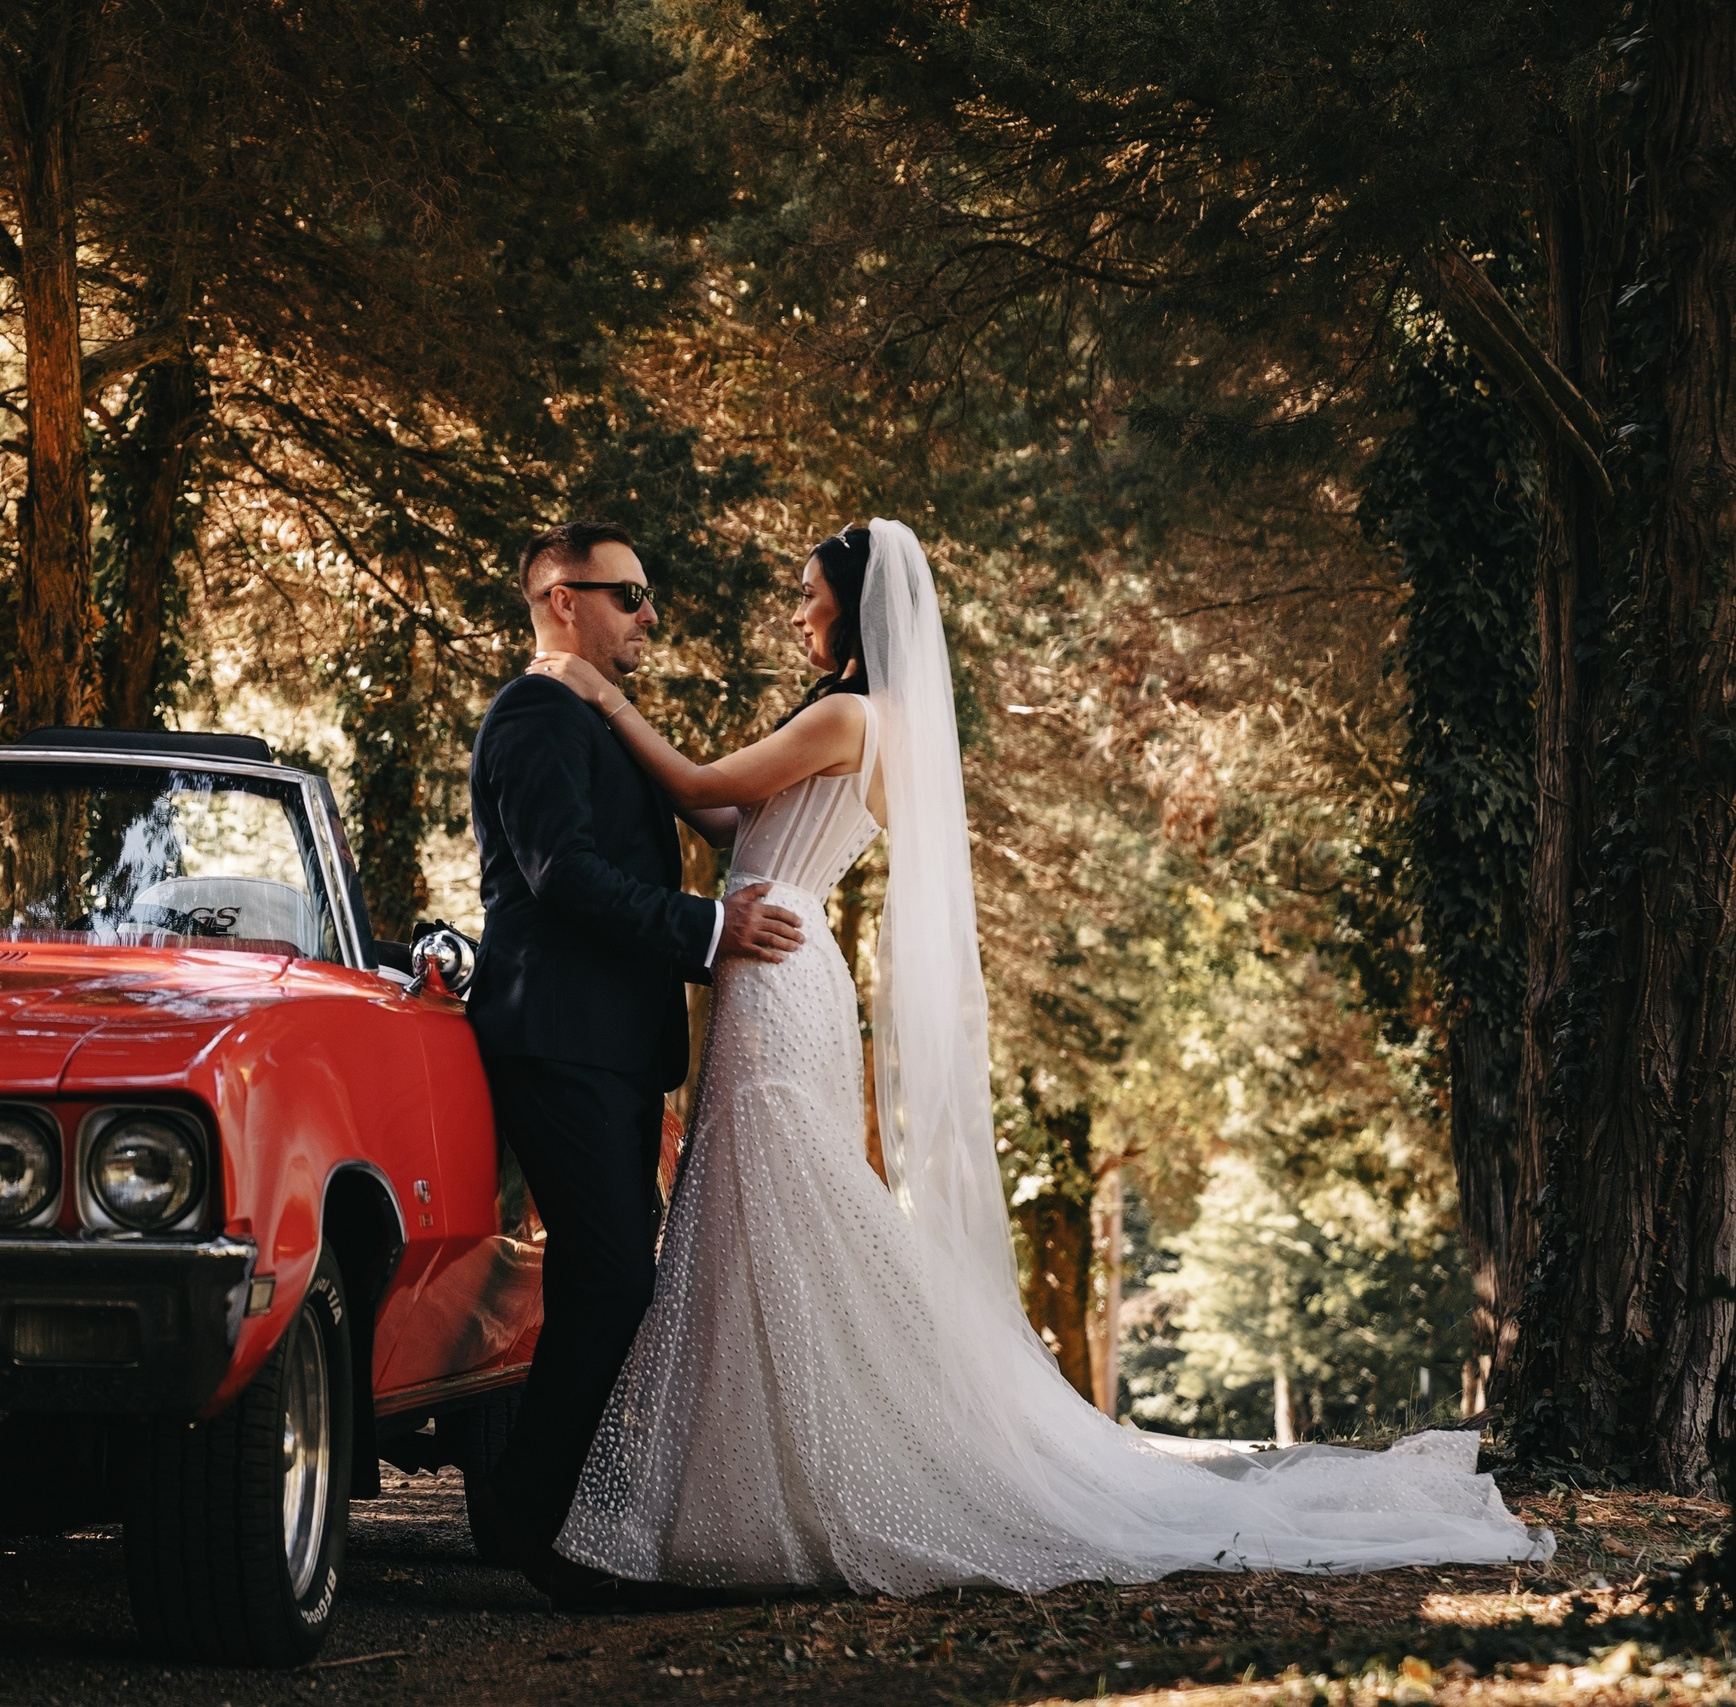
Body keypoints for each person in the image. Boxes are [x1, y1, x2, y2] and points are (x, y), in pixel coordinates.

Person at [524, 519, 1552, 1595]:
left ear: (858, 606)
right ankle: (757, 1482)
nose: (795, 612)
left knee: (778, 1204)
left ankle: (819, 1467)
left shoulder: (849, 713)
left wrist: (600, 700)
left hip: (777, 966)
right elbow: (737, 818)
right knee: (759, 1212)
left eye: (808, 595)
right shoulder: (861, 718)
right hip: (784, 954)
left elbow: (694, 786)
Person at [465, 520, 804, 1609]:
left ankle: (535, 1511)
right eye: (630, 593)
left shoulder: (591, 719)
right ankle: (533, 1523)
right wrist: (709, 932)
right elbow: (559, 872)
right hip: (554, 1036)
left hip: (603, 1042)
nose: (649, 613)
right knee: (611, 1278)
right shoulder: (531, 714)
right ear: (561, 598)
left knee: (608, 1279)